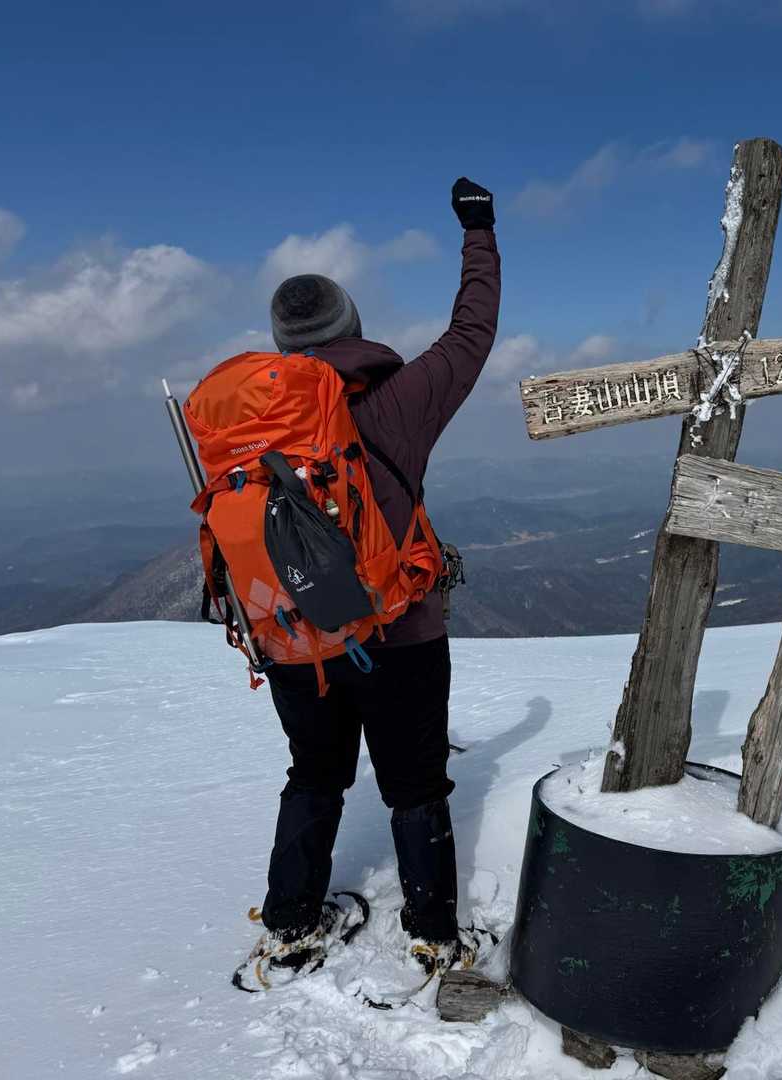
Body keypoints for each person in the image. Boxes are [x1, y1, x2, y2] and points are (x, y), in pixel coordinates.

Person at [255, 178, 499, 977]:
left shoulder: (253, 427)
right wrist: (478, 229)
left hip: (295, 641)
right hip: (400, 635)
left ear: (282, 344)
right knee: (415, 786)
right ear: (354, 328)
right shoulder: (400, 401)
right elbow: (471, 331)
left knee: (313, 777)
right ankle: (431, 932)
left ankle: (290, 922)